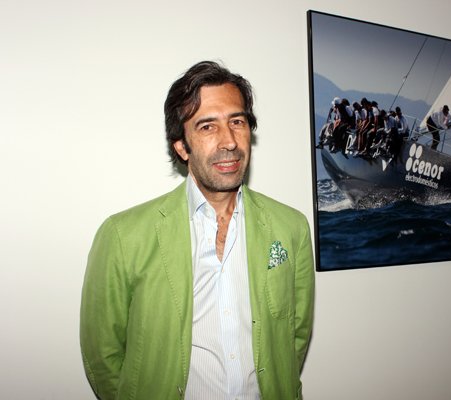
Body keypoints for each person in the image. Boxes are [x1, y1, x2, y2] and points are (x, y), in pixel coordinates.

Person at [80, 61, 315, 400]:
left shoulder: (290, 227)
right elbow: (103, 356)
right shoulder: (123, 236)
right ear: (181, 146)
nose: (229, 141)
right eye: (207, 126)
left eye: (237, 122)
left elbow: (294, 337)